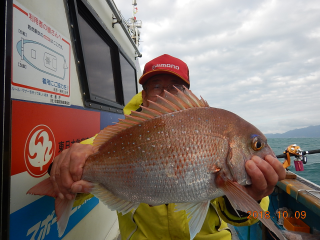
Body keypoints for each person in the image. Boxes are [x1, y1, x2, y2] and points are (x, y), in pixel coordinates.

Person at [49, 54, 286, 239]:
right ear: (144, 96)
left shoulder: (211, 127)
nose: (166, 94)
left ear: (186, 93)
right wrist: (62, 167)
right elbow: (80, 157)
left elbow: (245, 216)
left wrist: (251, 199)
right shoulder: (115, 138)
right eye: (156, 86)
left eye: (175, 87)